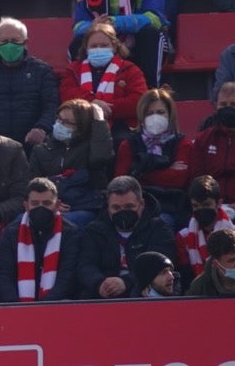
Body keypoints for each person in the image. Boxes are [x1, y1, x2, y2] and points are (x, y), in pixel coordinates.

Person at [75, 175, 179, 299]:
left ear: (142, 204)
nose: (122, 212)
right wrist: (100, 283)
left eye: (129, 207)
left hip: (144, 295)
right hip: (102, 296)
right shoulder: (94, 230)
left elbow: (160, 266)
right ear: (108, 206)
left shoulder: (159, 228)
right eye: (116, 208)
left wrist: (126, 282)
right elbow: (85, 265)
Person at [0, 17, 60, 146]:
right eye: (4, 41)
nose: (9, 45)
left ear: (25, 42)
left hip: (34, 145)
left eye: (15, 41)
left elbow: (51, 106)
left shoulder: (42, 71)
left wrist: (42, 128)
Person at [30, 98, 115, 228]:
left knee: (64, 225)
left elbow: (102, 157)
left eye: (67, 122)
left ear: (81, 128)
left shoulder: (90, 149)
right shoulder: (41, 150)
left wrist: (99, 122)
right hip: (48, 206)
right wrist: (50, 203)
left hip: (84, 207)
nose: (59, 124)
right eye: (59, 119)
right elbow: (34, 184)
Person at [115, 88, 195, 225]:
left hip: (171, 206)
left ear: (170, 115)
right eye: (149, 113)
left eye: (160, 112)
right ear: (141, 117)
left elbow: (178, 179)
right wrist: (167, 169)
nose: (155, 117)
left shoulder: (183, 143)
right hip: (136, 207)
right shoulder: (128, 145)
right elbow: (121, 183)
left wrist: (139, 172)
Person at [0, 177, 78, 302]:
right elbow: (2, 276)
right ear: (26, 206)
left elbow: (68, 277)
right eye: (35, 204)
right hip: (18, 309)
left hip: (57, 306)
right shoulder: (11, 234)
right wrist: (18, 308)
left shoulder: (70, 233)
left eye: (47, 203)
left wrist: (43, 308)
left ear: (57, 205)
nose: (40, 208)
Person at [60, 22, 148, 132]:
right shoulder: (73, 70)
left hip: (120, 128)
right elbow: (67, 94)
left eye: (104, 46)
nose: (98, 49)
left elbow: (138, 100)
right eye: (93, 46)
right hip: (80, 128)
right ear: (86, 48)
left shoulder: (130, 69)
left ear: (114, 46)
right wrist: (92, 104)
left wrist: (104, 109)